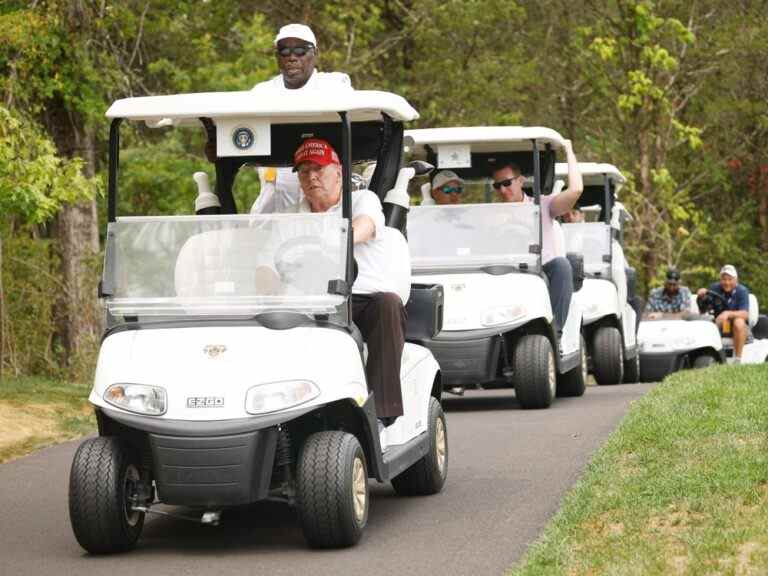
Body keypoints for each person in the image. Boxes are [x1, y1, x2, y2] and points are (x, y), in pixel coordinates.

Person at [267, 138, 406, 424]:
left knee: (387, 304)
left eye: (319, 169)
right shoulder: (290, 217)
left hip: (359, 300)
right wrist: (268, 294)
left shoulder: (361, 201)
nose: (311, 177)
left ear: (339, 172)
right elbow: (266, 265)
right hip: (305, 303)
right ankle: (276, 412)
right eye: (304, 172)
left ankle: (381, 414)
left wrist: (340, 241)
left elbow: (366, 225)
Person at [491, 140, 583, 334]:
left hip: (539, 272)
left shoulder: (543, 205)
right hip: (502, 273)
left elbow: (575, 191)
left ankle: (553, 334)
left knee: (562, 266)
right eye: (497, 186)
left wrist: (569, 151)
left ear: (521, 181)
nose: (502, 190)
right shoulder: (490, 214)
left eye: (507, 183)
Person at [697, 265, 750, 361]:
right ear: (720, 279)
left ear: (736, 280)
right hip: (720, 323)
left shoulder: (742, 291)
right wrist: (702, 296)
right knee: (704, 323)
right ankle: (703, 357)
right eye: (724, 279)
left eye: (730, 279)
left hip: (737, 327)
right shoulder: (714, 288)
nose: (727, 282)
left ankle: (737, 359)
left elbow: (745, 314)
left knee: (739, 322)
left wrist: (727, 314)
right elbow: (704, 309)